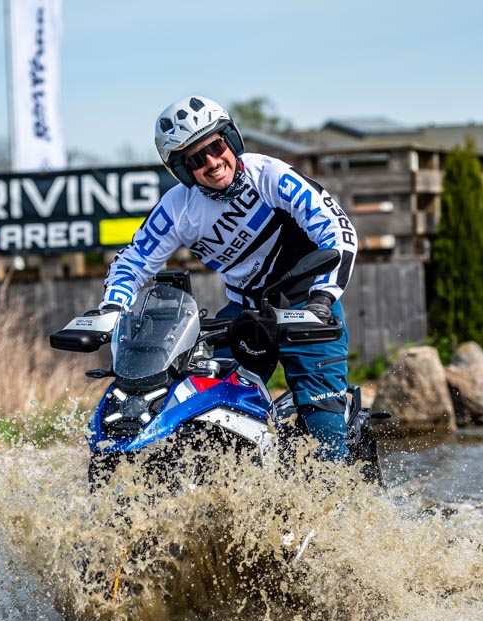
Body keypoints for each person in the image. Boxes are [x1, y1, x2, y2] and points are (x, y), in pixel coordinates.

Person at [97, 95, 357, 461]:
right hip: (245, 316)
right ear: (183, 171)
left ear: (230, 140)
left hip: (306, 310)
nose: (213, 163)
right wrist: (111, 308)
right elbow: (133, 263)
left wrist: (323, 298)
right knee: (194, 403)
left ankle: (341, 500)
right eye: (196, 160)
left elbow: (337, 229)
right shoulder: (177, 206)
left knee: (324, 426)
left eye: (216, 147)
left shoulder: (269, 174)